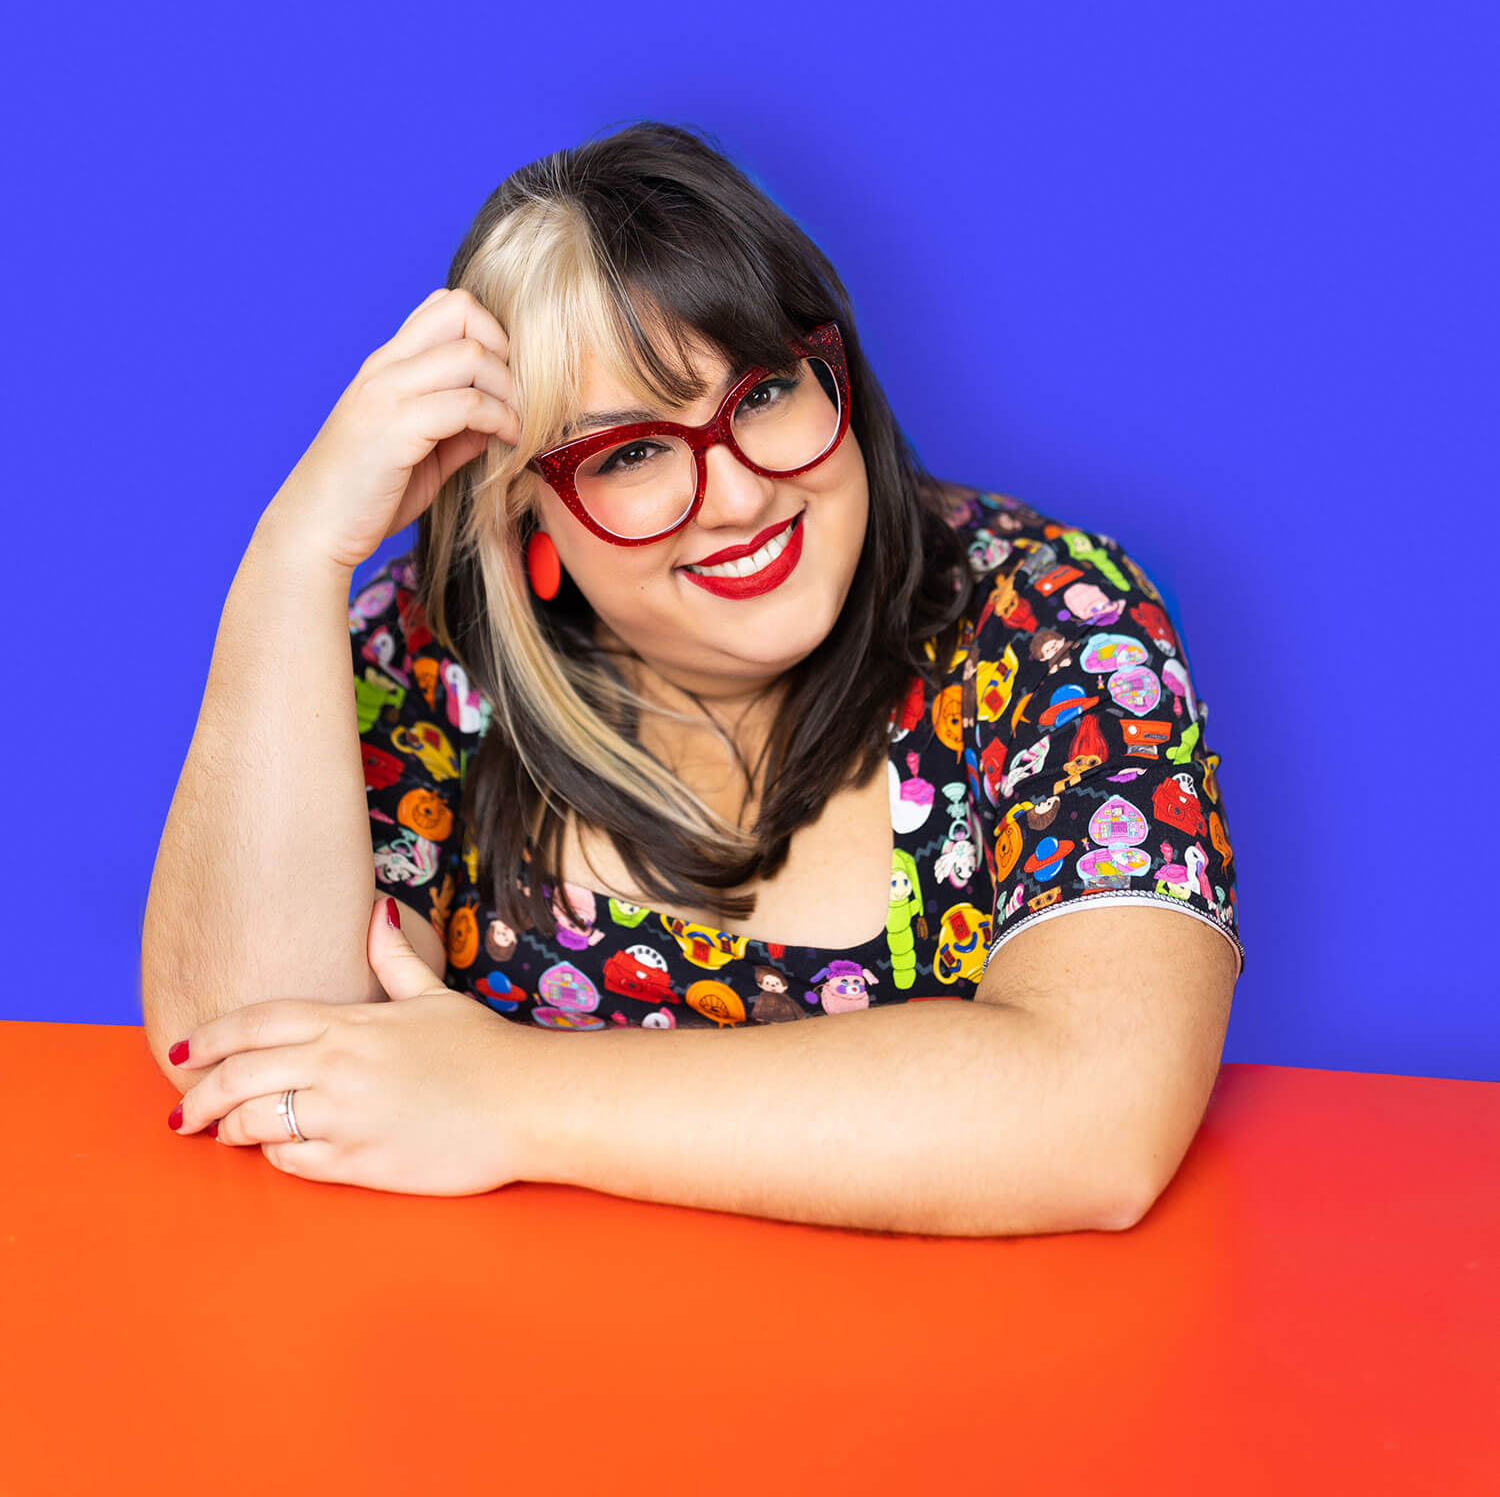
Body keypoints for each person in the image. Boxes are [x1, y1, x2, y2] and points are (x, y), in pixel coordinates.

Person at [143, 120, 1241, 1228]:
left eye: (763, 392)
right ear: (529, 517)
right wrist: (295, 556)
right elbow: (259, 1054)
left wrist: (506, 1091)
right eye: (628, 452)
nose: (737, 494)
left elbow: (1099, 1113)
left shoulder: (1054, 618)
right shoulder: (427, 663)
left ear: (840, 373)